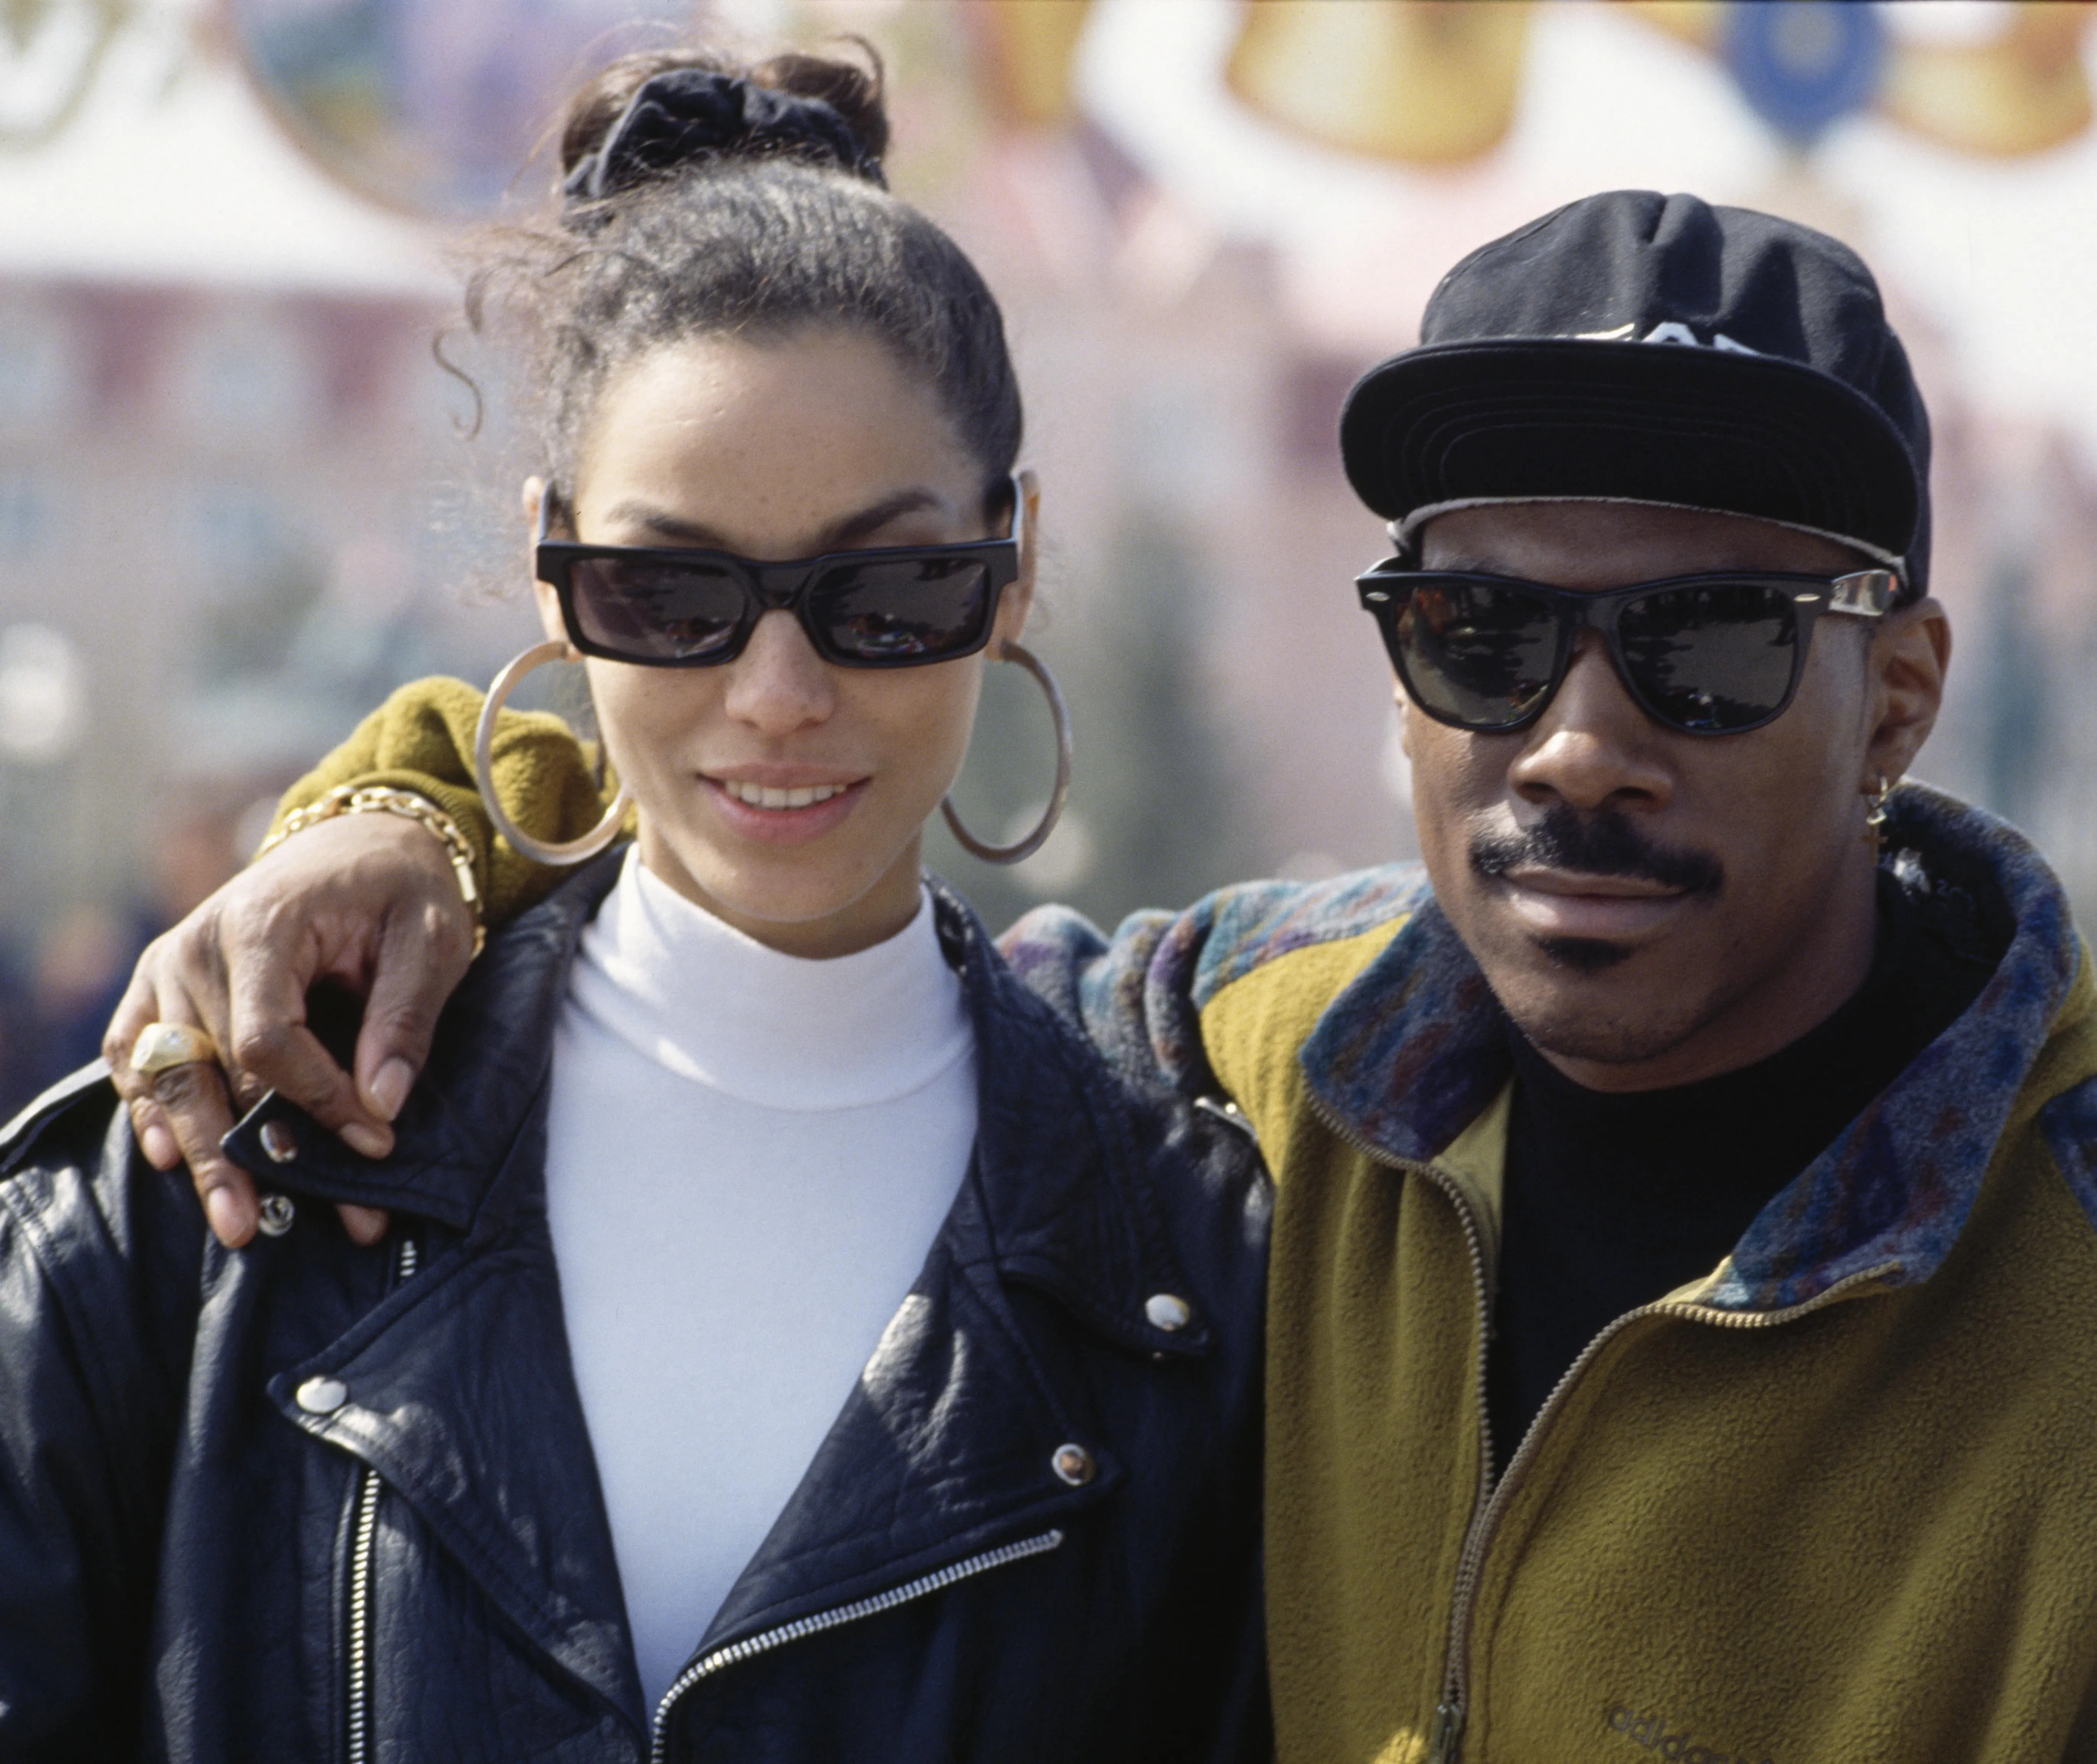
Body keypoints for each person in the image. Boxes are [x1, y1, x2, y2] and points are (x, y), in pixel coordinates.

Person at [105, 194, 2097, 1760]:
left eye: (1710, 646)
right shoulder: (1279, 1055)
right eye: (1477, 632)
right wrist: (397, 812)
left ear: (1905, 693)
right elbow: (774, 887)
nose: (1573, 738)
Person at [0, 46, 1271, 1762]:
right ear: (554, 561)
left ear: (1014, 558)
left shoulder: (1187, 1265)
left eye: (886, 589)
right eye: (668, 588)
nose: (776, 690)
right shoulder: (221, 1162)